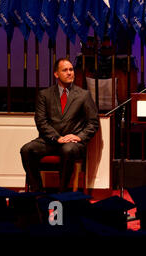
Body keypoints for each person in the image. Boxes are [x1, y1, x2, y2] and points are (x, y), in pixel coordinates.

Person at [21, 58, 99, 192]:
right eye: (65, 70)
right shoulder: (44, 95)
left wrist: (79, 137)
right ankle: (38, 192)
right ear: (56, 74)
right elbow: (41, 121)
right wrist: (57, 138)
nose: (69, 73)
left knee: (67, 150)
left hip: (72, 143)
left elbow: (93, 122)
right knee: (26, 150)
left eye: (71, 69)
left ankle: (62, 193)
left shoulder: (83, 95)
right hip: (49, 141)